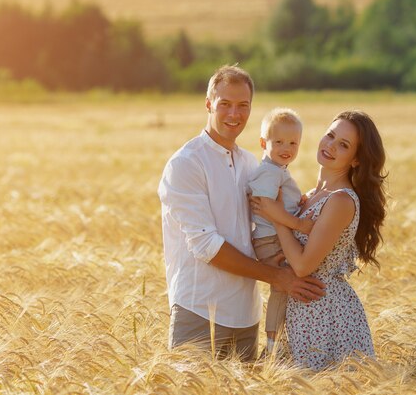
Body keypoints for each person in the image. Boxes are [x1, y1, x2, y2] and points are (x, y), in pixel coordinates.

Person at [158, 64, 326, 362]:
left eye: (243, 106)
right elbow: (206, 247)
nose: (234, 114)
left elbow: (270, 220)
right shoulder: (186, 164)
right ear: (209, 104)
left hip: (246, 317)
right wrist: (278, 276)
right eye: (225, 104)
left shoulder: (251, 164)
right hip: (198, 310)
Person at [251, 110, 387, 370]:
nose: (330, 146)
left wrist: (278, 218)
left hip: (325, 315)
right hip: (301, 310)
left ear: (356, 159)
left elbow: (303, 267)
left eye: (343, 145)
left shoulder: (341, 201)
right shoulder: (312, 194)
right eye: (330, 135)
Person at [247, 108, 310, 354]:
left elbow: (279, 203)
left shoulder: (278, 170)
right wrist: (299, 224)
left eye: (293, 143)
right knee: (282, 288)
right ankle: (273, 341)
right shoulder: (270, 171)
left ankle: (283, 338)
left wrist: (298, 205)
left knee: (287, 287)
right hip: (270, 240)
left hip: (273, 236)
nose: (287, 147)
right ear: (263, 143)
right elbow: (267, 205)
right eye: (279, 142)